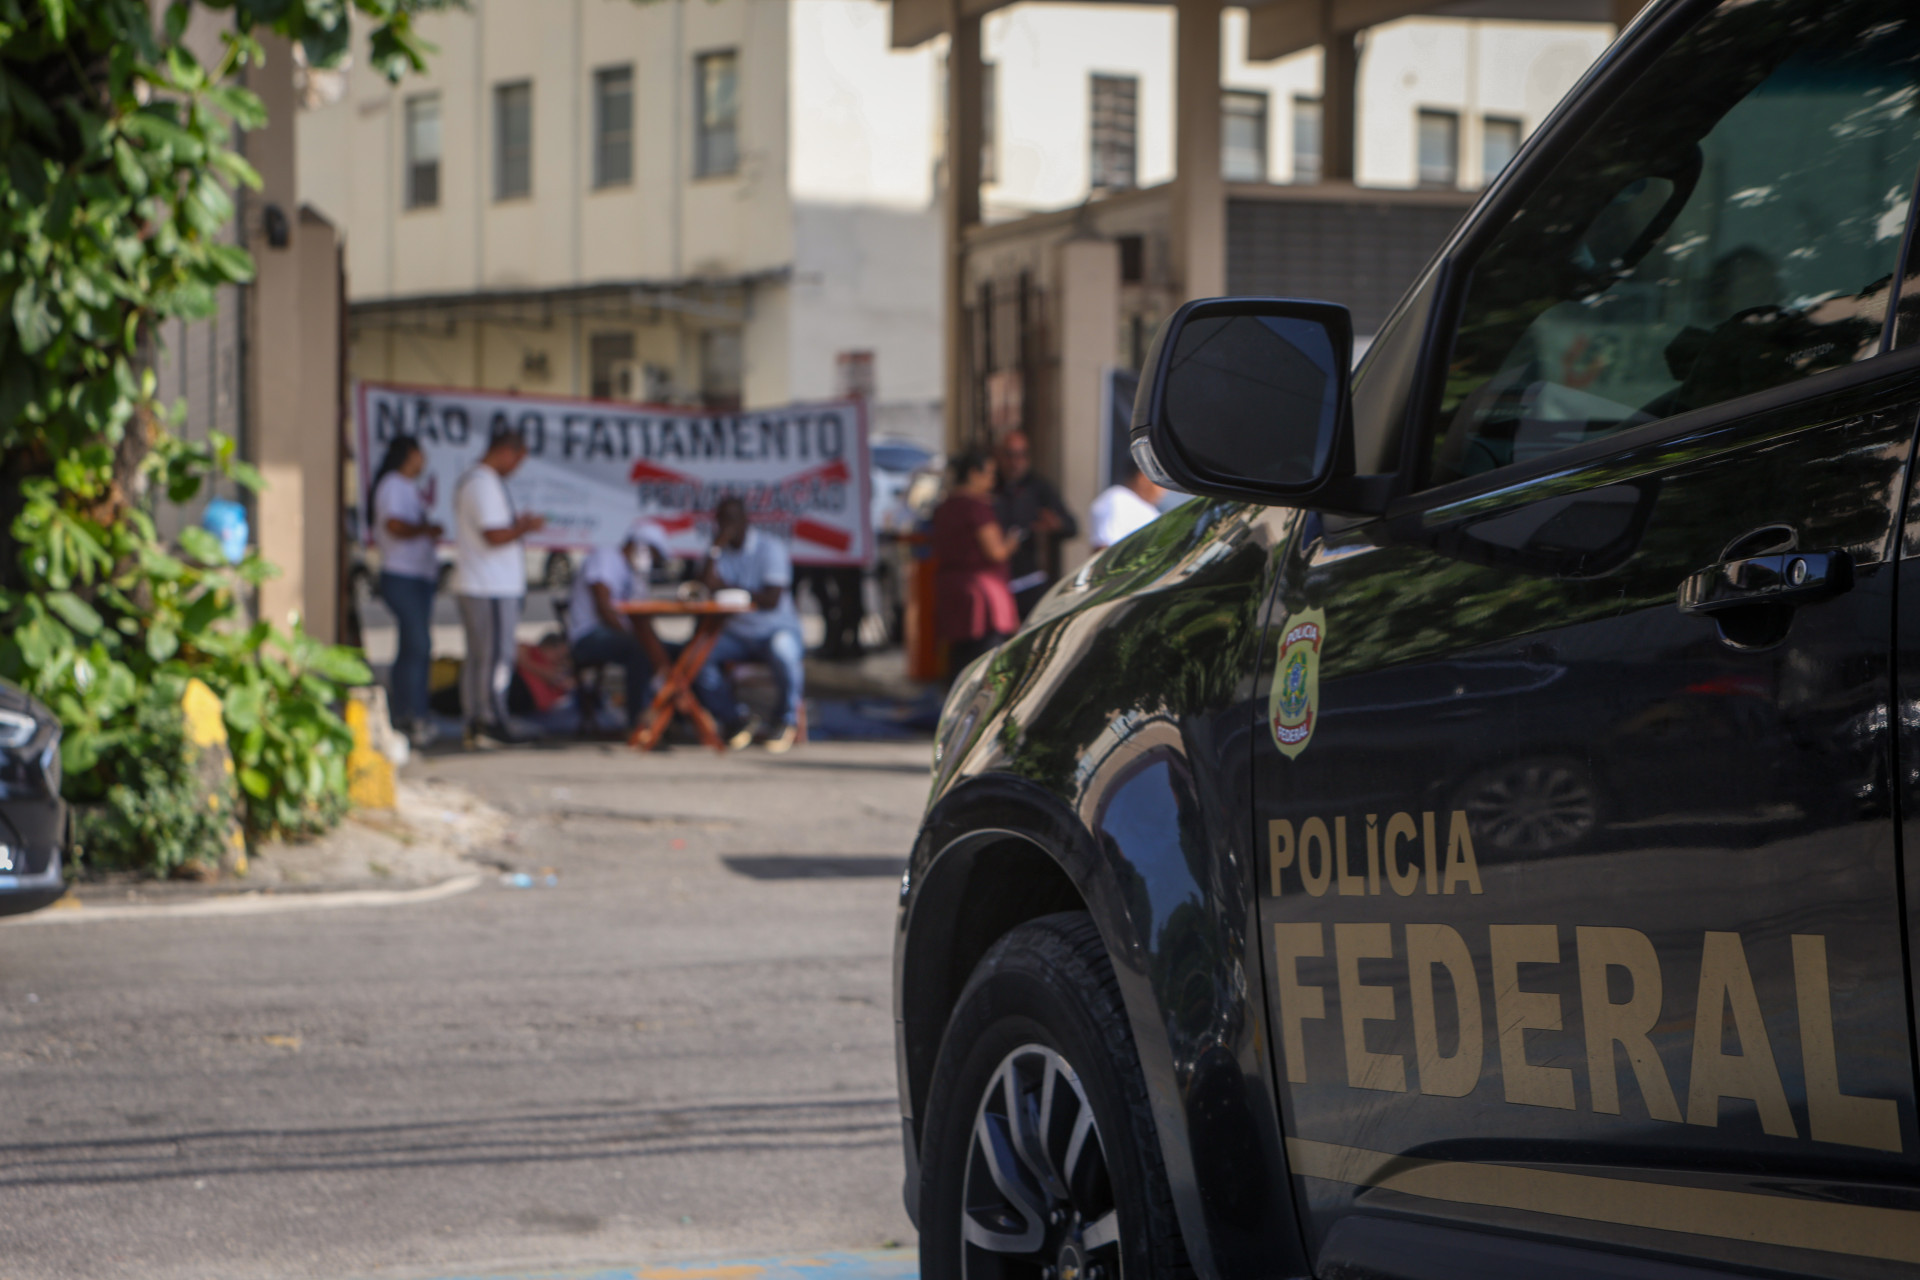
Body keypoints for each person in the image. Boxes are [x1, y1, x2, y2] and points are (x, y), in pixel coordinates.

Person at [452, 425, 545, 749]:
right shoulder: (481, 483)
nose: (516, 468)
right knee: (494, 658)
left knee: (483, 656)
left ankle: (479, 720)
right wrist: (524, 527)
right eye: (517, 460)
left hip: (485, 583)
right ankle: (489, 721)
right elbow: (493, 535)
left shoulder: (478, 480)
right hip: (488, 586)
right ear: (506, 452)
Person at [693, 496, 805, 753]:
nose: (727, 526)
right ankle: (736, 719)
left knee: (785, 653)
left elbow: (771, 599)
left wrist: (730, 589)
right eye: (722, 521)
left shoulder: (770, 548)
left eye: (732, 520)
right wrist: (715, 548)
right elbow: (704, 588)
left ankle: (785, 720)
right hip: (736, 634)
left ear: (746, 520)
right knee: (696, 658)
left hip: (774, 629)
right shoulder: (717, 551)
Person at [370, 435, 442, 747]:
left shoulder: (408, 487)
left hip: (418, 576)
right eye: (420, 453)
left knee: (413, 647)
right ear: (409, 454)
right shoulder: (393, 485)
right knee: (418, 644)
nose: (423, 460)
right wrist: (424, 529)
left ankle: (409, 712)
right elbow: (394, 525)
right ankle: (409, 715)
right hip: (402, 576)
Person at [567, 521, 672, 731]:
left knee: (674, 650)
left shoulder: (633, 572)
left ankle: (672, 714)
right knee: (640, 649)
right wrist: (641, 640)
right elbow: (604, 608)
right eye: (652, 554)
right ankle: (638, 720)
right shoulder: (606, 557)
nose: (652, 561)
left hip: (614, 635)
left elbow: (642, 617)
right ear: (640, 546)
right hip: (588, 635)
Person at [933, 449, 1021, 677]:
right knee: (985, 661)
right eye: (989, 474)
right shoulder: (977, 507)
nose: (992, 481)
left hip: (951, 589)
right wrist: (1012, 543)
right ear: (973, 474)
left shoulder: (944, 507)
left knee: (959, 657)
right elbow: (995, 552)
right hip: (980, 593)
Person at [994, 430, 1077, 619]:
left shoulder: (1039, 487)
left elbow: (1071, 526)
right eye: (1010, 455)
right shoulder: (992, 485)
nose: (1015, 462)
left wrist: (1055, 525)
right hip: (1000, 580)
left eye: (1021, 455)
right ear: (1000, 456)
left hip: (1033, 582)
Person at [1089, 460, 1166, 552]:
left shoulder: (1150, 510)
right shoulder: (1118, 499)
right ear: (1143, 478)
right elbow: (1105, 549)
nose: (1164, 490)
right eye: (1161, 482)